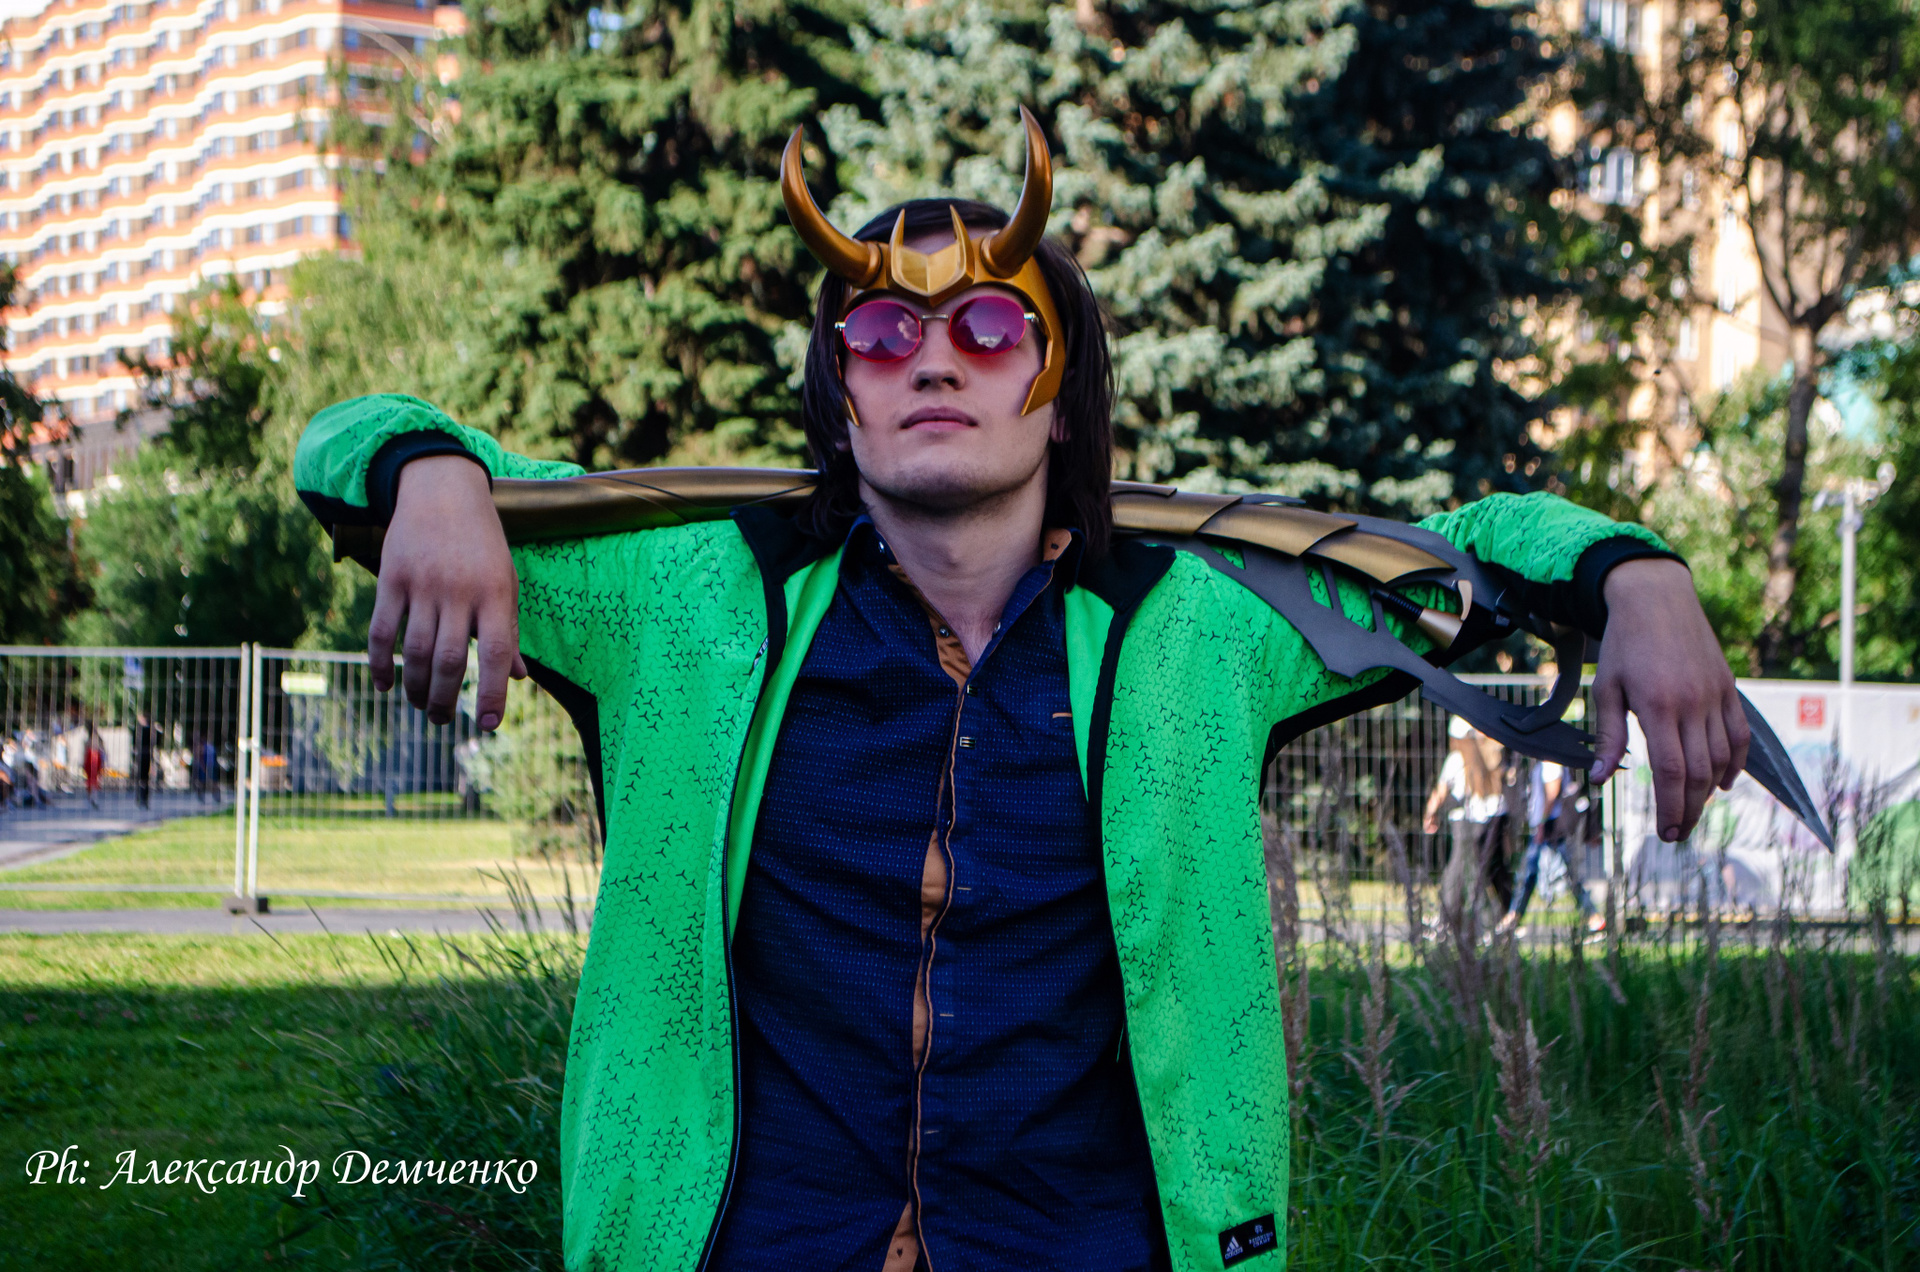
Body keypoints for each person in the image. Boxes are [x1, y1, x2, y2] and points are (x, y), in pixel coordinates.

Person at [292, 110, 1752, 1271]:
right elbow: (345, 446)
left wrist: (1636, 574)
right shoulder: (689, 597)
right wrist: (436, 472)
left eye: (989, 329)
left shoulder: (1202, 623)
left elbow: (1463, 554)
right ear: (841, 395)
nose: (932, 359)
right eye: (881, 336)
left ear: (1059, 388)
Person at [1424, 716, 1516, 927]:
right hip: (1483, 823)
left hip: (1463, 823)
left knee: (1459, 872)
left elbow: (1441, 791)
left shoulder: (1456, 758)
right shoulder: (1484, 755)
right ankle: (1487, 919)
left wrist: (1430, 813)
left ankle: (1452, 919)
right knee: (1480, 871)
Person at [1500, 756, 1602, 936]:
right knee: (1532, 873)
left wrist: (1541, 824)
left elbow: (1552, 794)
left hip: (1552, 827)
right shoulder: (1545, 762)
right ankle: (1514, 915)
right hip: (1548, 826)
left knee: (1542, 873)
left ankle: (1593, 916)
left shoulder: (1550, 762)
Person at [131, 712, 155, 810]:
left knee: (141, 778)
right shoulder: (151, 730)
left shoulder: (139, 730)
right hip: (146, 755)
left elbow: (134, 744)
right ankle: (143, 798)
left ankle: (141, 798)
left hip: (142, 755)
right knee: (144, 779)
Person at [84, 725, 104, 809]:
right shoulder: (92, 741)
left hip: (94, 760)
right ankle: (92, 797)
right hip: (92, 760)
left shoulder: (93, 741)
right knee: (92, 780)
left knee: (94, 780)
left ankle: (92, 797)